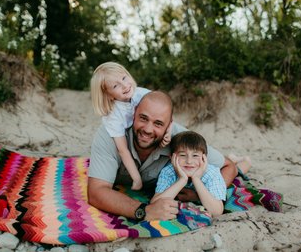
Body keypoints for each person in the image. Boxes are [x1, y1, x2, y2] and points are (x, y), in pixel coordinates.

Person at [88, 90, 238, 221]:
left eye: (158, 123)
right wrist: (143, 211)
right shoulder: (111, 133)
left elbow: (229, 166)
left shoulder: (181, 141)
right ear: (133, 114)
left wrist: (201, 195)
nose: (147, 129)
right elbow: (96, 191)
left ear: (169, 125)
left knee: (237, 163)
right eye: (143, 118)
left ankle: (242, 159)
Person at [90, 62, 171, 190]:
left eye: (124, 78)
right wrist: (137, 178)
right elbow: (123, 150)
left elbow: (165, 110)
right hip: (127, 141)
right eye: (116, 86)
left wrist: (168, 132)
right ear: (108, 95)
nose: (124, 86)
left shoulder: (141, 94)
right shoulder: (113, 116)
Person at [151, 131, 226, 217]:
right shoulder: (168, 172)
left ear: (204, 158)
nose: (189, 161)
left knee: (239, 170)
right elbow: (155, 205)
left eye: (195, 155)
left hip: (220, 172)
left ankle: (243, 161)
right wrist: (182, 180)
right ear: (172, 158)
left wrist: (196, 179)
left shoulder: (212, 173)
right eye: (182, 155)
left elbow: (216, 212)